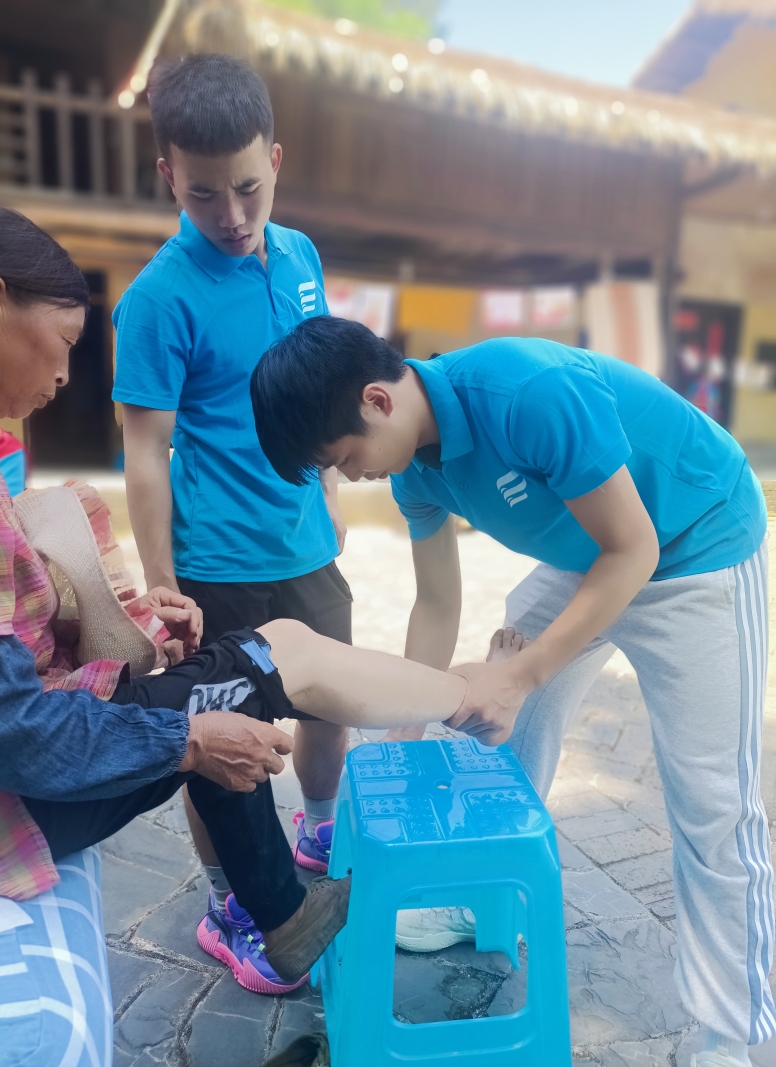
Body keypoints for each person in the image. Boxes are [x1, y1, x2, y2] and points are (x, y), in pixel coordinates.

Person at [0, 205, 515, 1065]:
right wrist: (185, 738)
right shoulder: (161, 297)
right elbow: (0, 729)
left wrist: (140, 632)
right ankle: (471, 702)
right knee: (264, 668)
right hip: (12, 794)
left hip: (45, 738)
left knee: (242, 672)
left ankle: (284, 907)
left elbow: (7, 654)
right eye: (65, 342)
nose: (68, 373)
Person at [250, 314, 773, 1067]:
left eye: (345, 458)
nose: (352, 477)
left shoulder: (529, 391)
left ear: (377, 400)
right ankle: (484, 901)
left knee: (713, 803)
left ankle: (728, 1036)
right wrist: (404, 732)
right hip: (589, 557)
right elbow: (437, 602)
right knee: (497, 740)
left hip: (697, 548)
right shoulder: (415, 468)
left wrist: (521, 674)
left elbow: (635, 548)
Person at [112, 53, 352, 970]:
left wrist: (329, 493)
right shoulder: (157, 298)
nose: (233, 216)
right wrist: (163, 584)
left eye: (248, 188)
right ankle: (230, 904)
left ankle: (320, 836)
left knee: (330, 704)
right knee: (224, 749)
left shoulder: (300, 257)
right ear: (168, 175)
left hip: (306, 544)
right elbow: (145, 450)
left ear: (276, 161)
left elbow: (316, 387)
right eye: (204, 193)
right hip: (217, 562)